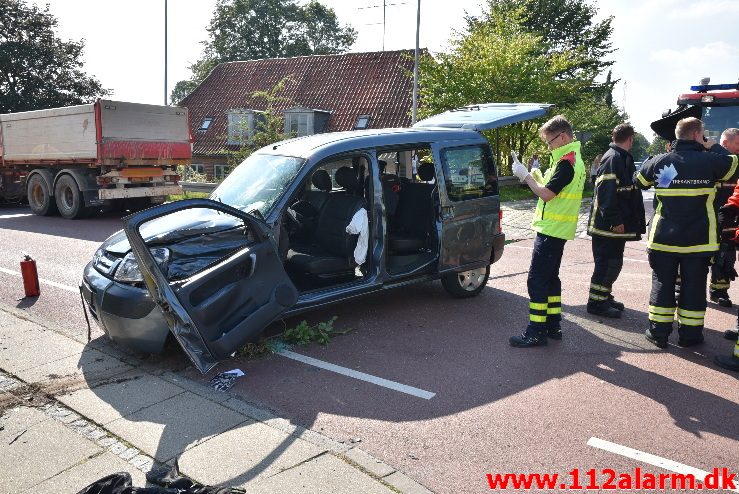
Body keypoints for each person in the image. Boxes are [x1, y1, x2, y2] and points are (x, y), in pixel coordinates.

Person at [634, 117, 738, 349]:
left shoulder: (663, 162)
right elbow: (734, 163)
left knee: (662, 283)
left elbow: (638, 181)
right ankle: (690, 336)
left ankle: (658, 334)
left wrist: (662, 166)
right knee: (694, 286)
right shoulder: (711, 161)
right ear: (696, 135)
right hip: (699, 241)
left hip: (663, 240)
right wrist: (712, 145)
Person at [509, 115, 586, 347]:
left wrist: (526, 177)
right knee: (551, 279)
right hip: (558, 229)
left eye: (550, 141)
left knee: (537, 280)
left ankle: (536, 332)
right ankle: (553, 325)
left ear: (562, 137)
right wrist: (535, 175)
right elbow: (553, 189)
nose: (548, 146)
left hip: (552, 229)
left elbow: (547, 194)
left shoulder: (566, 162)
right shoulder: (569, 159)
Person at [586, 123, 646, 318]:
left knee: (612, 263)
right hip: (607, 226)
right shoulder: (613, 159)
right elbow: (606, 192)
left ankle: (604, 296)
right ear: (630, 139)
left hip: (612, 225)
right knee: (607, 264)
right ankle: (596, 303)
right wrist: (614, 220)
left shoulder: (619, 158)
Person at [713, 128, 739, 341]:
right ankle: (682, 289)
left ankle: (719, 291)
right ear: (725, 143)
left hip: (730, 216)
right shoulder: (711, 160)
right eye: (737, 144)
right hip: (710, 214)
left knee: (726, 255)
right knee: (703, 255)